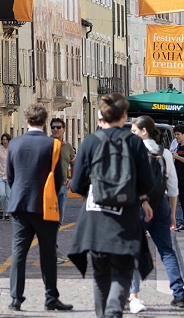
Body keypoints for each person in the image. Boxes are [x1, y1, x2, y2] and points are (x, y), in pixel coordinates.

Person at [67, 95, 153, 318]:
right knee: (123, 270)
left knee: (100, 272)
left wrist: (96, 191)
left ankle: (103, 314)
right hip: (125, 216)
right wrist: (138, 196)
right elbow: (148, 182)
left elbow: (76, 184)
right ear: (124, 116)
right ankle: (114, 312)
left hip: (96, 218)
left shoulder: (90, 141)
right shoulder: (134, 142)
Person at [6, 104, 71, 312]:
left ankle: (16, 298)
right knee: (48, 252)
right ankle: (50, 297)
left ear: (26, 121)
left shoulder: (14, 144)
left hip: (20, 204)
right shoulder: (53, 145)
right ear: (45, 122)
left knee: (18, 252)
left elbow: (10, 176)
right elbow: (60, 178)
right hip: (46, 205)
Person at [127, 116, 184, 313]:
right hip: (161, 206)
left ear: (144, 131)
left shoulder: (134, 152)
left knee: (132, 251)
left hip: (138, 206)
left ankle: (133, 295)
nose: (131, 135)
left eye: (134, 131)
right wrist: (172, 213)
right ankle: (179, 294)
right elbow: (173, 187)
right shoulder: (165, 153)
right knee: (167, 251)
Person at [49, 118, 74, 264]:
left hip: (63, 188)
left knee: (59, 220)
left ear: (64, 129)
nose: (55, 129)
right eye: (53, 127)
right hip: (49, 188)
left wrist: (72, 177)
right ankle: (51, 252)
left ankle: (54, 250)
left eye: (58, 127)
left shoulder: (68, 147)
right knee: (50, 220)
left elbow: (73, 161)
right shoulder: (47, 144)